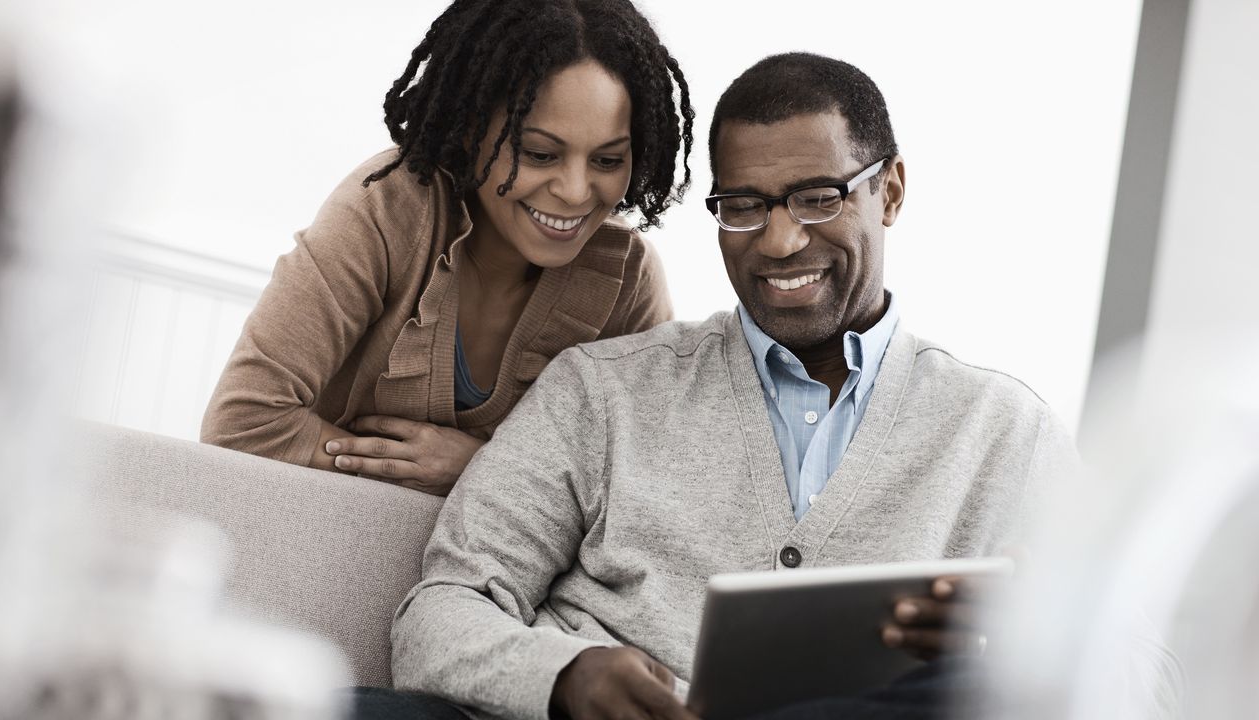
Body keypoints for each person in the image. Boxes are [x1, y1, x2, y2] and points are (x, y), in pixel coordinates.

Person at [373, 53, 1080, 719]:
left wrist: (1019, 645)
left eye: (816, 198)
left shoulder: (1004, 430)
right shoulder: (601, 390)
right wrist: (563, 677)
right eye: (743, 206)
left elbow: (1144, 671)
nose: (778, 242)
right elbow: (438, 612)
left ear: (888, 191)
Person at [201, 0, 693, 495]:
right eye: (540, 154)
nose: (574, 191)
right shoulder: (387, 211)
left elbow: (648, 492)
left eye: (607, 161)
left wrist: (487, 466)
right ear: (471, 127)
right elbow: (242, 424)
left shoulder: (627, 283)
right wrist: (484, 485)